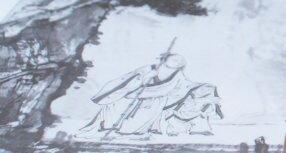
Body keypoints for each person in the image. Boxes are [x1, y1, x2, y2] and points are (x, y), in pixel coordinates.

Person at [82, 39, 223, 137]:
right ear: (165, 59)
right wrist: (144, 81)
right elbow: (127, 82)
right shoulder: (148, 69)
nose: (178, 61)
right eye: (174, 58)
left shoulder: (179, 77)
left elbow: (181, 88)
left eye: (180, 61)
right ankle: (109, 127)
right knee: (116, 109)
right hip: (132, 96)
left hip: (156, 100)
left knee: (144, 117)